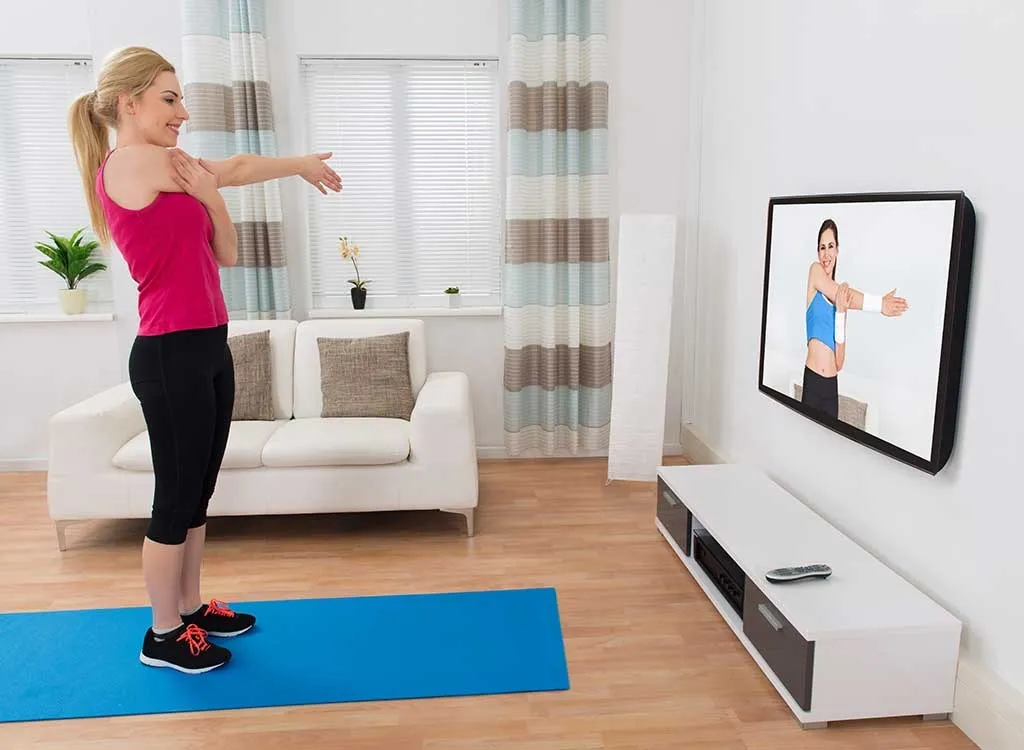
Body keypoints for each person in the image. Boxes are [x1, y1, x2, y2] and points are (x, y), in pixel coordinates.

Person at [67, 46, 341, 674]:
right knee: (176, 498)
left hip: (207, 344)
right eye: (169, 99)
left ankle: (188, 612)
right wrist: (296, 163)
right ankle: (162, 635)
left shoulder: (166, 168)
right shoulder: (136, 161)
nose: (182, 112)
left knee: (197, 494)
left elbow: (227, 252)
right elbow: (235, 166)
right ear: (126, 103)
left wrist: (217, 200)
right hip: (170, 353)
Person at [802, 219, 908, 419]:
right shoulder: (815, 272)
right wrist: (879, 304)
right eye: (822, 248)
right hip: (813, 382)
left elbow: (839, 363)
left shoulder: (842, 301)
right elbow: (844, 295)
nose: (826, 254)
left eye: (831, 246)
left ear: (837, 249)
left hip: (830, 389)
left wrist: (841, 312)